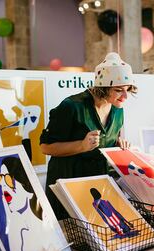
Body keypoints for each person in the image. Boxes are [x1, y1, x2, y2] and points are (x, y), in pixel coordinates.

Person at [40, 52, 136, 220]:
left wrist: (119, 144)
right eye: (119, 90)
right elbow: (45, 147)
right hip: (69, 185)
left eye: (127, 90)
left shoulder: (117, 109)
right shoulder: (72, 106)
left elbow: (109, 139)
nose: (125, 96)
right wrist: (81, 146)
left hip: (99, 186)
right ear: (103, 87)